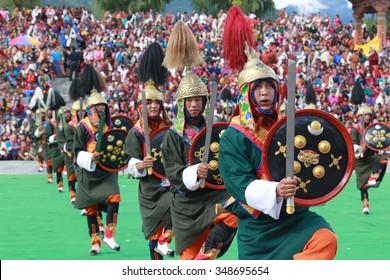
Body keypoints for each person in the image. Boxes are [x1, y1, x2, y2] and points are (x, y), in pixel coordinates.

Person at [218, 6, 337, 260]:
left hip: (296, 218)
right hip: (258, 227)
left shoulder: (286, 127)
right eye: (257, 87)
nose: (264, 93)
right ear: (246, 94)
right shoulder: (232, 136)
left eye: (268, 86)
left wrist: (319, 186)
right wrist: (274, 191)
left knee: (326, 240)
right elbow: (240, 186)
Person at [161, 20, 237, 260]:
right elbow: (173, 172)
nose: (194, 104)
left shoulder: (214, 130)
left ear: (205, 102)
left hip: (214, 196)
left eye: (198, 99)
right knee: (187, 259)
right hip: (185, 204)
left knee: (236, 210)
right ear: (181, 104)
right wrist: (194, 172)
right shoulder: (173, 135)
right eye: (189, 100)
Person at [125, 42, 175, 260]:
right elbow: (129, 166)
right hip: (149, 188)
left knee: (177, 203)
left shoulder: (170, 129)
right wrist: (139, 165)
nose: (153, 106)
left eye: (157, 103)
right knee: (153, 234)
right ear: (140, 107)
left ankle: (166, 240)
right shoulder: (135, 133)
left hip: (169, 184)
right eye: (149, 103)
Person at [73, 89, 121, 256]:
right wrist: (90, 157)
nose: (100, 108)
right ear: (91, 107)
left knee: (114, 198)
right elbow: (77, 152)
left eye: (103, 105)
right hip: (89, 172)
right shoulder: (82, 126)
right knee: (91, 210)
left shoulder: (111, 125)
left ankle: (109, 234)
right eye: (97, 105)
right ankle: (95, 243)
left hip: (107, 171)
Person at [350, 104, 388, 214]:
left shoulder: (372, 129)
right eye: (364, 115)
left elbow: (378, 142)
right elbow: (352, 144)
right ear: (359, 116)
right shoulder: (355, 130)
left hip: (371, 157)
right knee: (363, 185)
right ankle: (365, 206)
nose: (367, 117)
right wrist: (358, 148)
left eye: (369, 115)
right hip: (360, 160)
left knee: (384, 159)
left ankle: (373, 177)